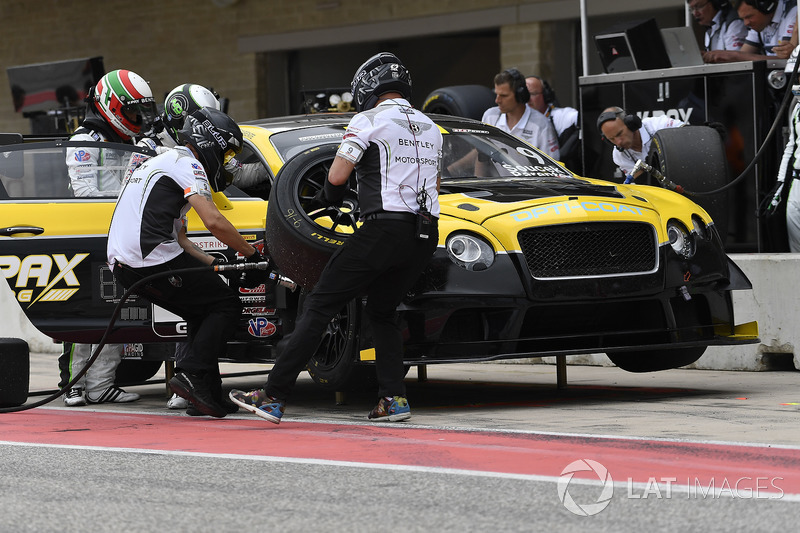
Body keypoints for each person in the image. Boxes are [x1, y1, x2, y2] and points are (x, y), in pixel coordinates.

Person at [229, 52, 442, 424]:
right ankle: (393, 399)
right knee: (382, 311)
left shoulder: (368, 119)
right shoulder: (430, 127)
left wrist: (327, 195)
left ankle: (273, 395)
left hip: (383, 229)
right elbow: (435, 185)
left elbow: (339, 176)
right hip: (424, 234)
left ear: (368, 87)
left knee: (320, 305)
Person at [107, 107, 263, 418]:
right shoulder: (186, 164)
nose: (229, 158)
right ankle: (190, 373)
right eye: (228, 150)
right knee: (226, 305)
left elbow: (182, 241)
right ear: (210, 141)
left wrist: (222, 264)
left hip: (129, 261)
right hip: (147, 256)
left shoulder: (166, 162)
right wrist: (251, 255)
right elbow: (214, 221)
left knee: (200, 308)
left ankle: (202, 396)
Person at [59, 68, 157, 406]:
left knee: (116, 311)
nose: (136, 118)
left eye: (140, 111)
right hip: (87, 236)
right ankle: (72, 384)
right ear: (111, 106)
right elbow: (87, 193)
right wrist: (137, 167)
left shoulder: (128, 141)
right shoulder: (84, 141)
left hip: (119, 240)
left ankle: (101, 385)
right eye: (131, 110)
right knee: (84, 315)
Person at [133, 83, 268, 190]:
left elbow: (239, 174)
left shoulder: (208, 146)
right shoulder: (148, 147)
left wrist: (275, 167)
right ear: (180, 116)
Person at [481, 68, 560, 160]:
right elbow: (481, 156)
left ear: (520, 95)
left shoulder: (541, 124)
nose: (497, 100)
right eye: (497, 94)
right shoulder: (490, 116)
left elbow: (553, 167)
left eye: (504, 96)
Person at [596, 106, 685, 182]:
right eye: (611, 139)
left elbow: (690, 135)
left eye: (619, 134)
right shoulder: (619, 155)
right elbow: (644, 183)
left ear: (630, 124)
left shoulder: (658, 125)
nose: (618, 142)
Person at [703, 0, 797, 63]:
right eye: (743, 19)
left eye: (749, 17)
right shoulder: (759, 23)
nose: (746, 23)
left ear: (766, 7)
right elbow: (745, 54)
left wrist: (734, 56)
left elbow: (786, 60)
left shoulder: (793, 12)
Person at [526, 75, 580, 172]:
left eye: (532, 94)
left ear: (546, 95)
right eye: (524, 95)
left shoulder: (562, 116)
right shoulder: (514, 121)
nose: (528, 99)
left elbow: (582, 118)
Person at [776, 84, 800, 250]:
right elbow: (791, 146)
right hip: (796, 182)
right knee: (795, 248)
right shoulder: (797, 107)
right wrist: (780, 183)